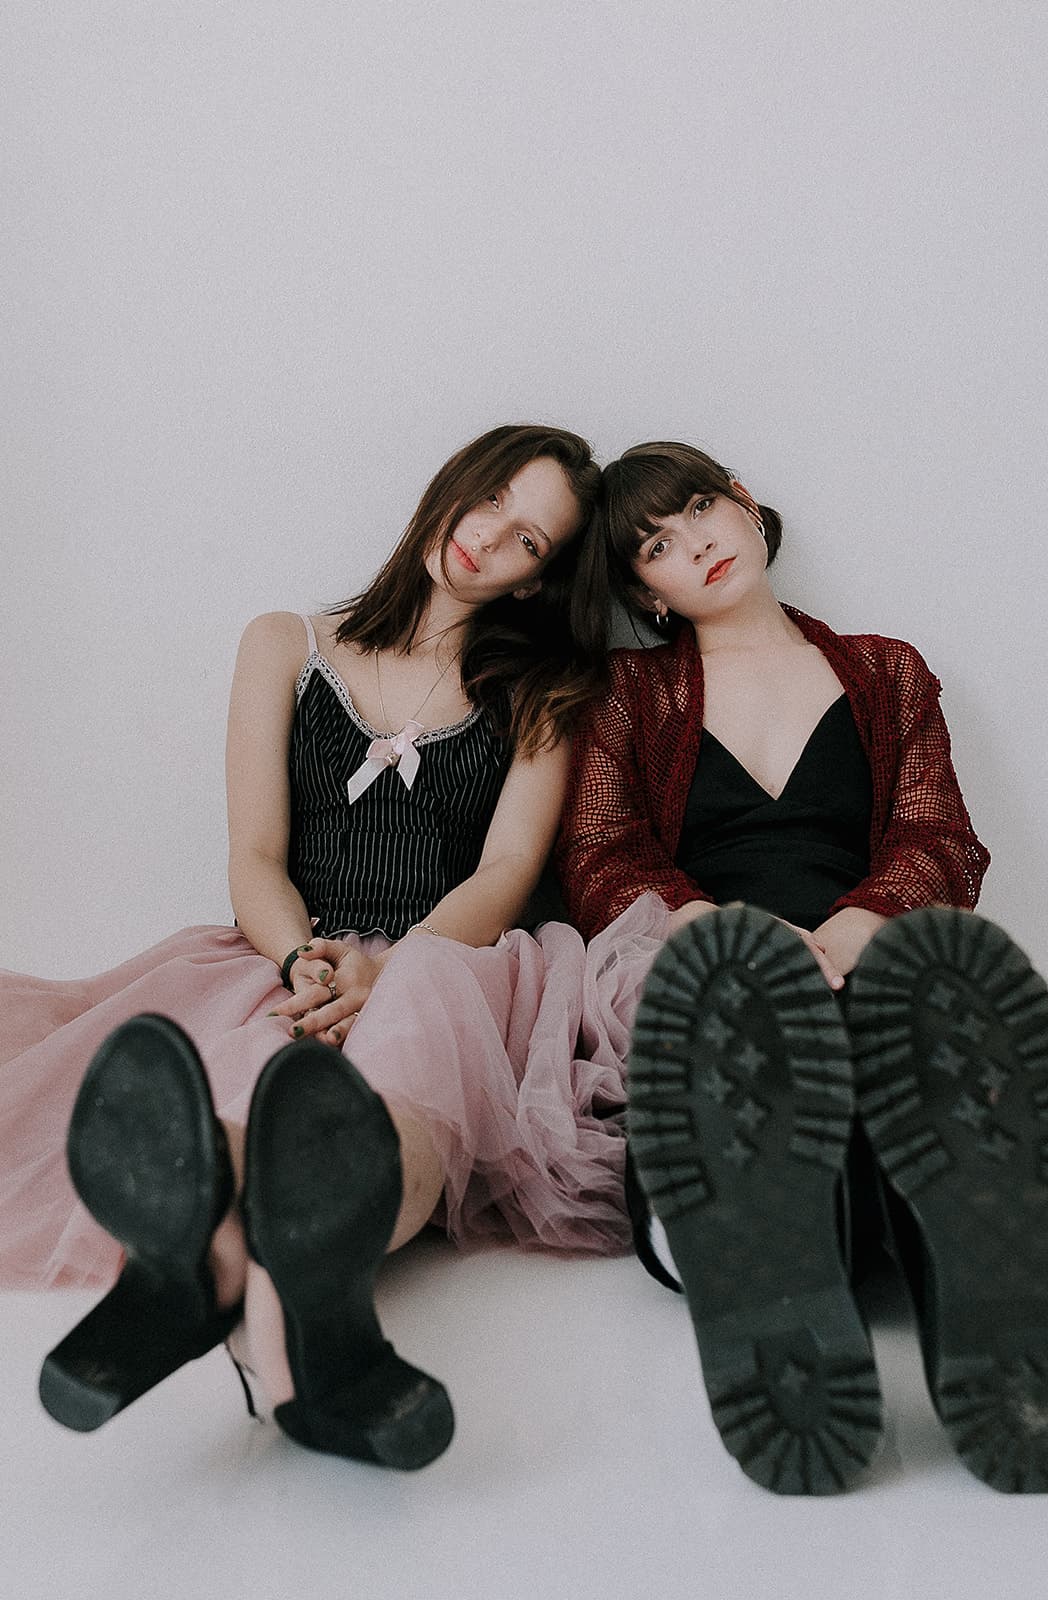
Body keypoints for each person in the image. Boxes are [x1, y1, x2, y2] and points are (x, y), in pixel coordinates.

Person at [1, 423, 633, 1468]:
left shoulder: (541, 691)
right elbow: (253, 853)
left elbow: (506, 872)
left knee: (404, 1049)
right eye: (489, 501)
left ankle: (211, 1274)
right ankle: (247, 1282)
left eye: (527, 541)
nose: (487, 538)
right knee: (267, 1066)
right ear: (452, 487)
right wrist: (305, 962)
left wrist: (387, 970)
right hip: (285, 946)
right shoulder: (284, 643)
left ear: (539, 579)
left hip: (450, 953)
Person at [553, 440, 1048, 1496]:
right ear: (644, 590)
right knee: (745, 1082)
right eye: (656, 547)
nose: (694, 546)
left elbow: (935, 835)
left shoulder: (883, 669)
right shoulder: (628, 695)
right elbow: (598, 858)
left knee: (900, 1060)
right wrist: (711, 925)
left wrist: (866, 921)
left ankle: (971, 1310)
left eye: (697, 513)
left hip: (870, 959)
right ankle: (761, 1245)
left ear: (740, 502)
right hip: (720, 978)